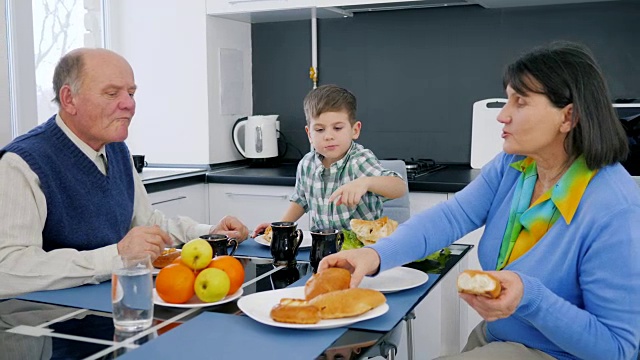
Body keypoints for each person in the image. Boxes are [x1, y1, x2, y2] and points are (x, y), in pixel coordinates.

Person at [319, 42, 640, 360]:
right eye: (506, 100)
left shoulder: (614, 209)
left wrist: (530, 297)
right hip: (497, 334)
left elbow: (618, 349)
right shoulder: (516, 167)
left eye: (520, 102)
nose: (502, 115)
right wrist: (373, 255)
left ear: (567, 117)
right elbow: (451, 217)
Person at [0, 48, 249, 299]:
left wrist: (207, 234)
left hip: (114, 306)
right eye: (111, 93)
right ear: (69, 99)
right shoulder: (20, 164)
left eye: (131, 93)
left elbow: (148, 224)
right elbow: (8, 269)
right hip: (49, 324)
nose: (129, 104)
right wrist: (117, 256)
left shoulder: (117, 150)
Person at [252, 84, 406, 235]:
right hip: (322, 250)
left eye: (337, 128)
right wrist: (280, 228)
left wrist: (365, 182)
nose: (328, 136)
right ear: (309, 134)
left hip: (361, 252)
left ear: (355, 130)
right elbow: (300, 201)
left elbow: (399, 187)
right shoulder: (307, 164)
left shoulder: (360, 161)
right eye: (319, 129)